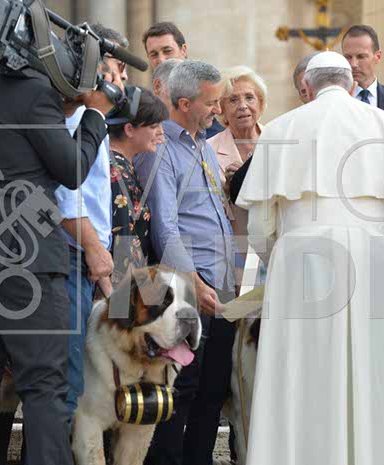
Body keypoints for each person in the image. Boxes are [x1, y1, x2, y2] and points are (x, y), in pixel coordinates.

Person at [236, 51, 384, 465]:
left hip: (297, 262)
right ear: (351, 83)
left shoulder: (279, 130)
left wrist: (285, 259)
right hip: (374, 261)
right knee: (378, 379)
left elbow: (259, 228)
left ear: (307, 87)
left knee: (299, 378)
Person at [0, 53, 119, 465]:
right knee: (44, 385)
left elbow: (15, 136)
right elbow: (71, 169)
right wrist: (94, 114)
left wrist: (64, 105)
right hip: (27, 256)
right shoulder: (34, 93)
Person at [135, 60, 236, 465]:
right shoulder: (161, 149)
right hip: (187, 291)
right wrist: (195, 284)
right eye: (211, 103)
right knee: (180, 391)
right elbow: (166, 229)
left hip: (220, 287)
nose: (218, 110)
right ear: (183, 103)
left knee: (213, 392)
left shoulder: (203, 144)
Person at [55, 24, 128, 418]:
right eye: (115, 70)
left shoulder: (90, 118)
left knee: (74, 377)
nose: (120, 82)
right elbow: (67, 194)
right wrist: (94, 249)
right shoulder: (75, 118)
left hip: (85, 259)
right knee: (65, 381)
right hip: (71, 254)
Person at [209, 66, 266, 286]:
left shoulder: (275, 140)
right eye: (233, 100)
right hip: (232, 253)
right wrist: (227, 191)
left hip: (274, 248)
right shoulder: (208, 150)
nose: (243, 106)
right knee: (241, 305)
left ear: (260, 103)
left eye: (249, 97)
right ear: (221, 109)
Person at [107, 88, 168, 286]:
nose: (161, 132)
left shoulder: (122, 165)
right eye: (154, 126)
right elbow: (123, 243)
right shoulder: (116, 172)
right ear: (129, 129)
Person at [143, 22, 224, 139]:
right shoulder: (143, 112)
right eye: (154, 54)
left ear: (183, 50)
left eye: (167, 51)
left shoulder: (208, 88)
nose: (161, 59)